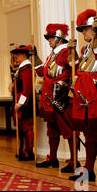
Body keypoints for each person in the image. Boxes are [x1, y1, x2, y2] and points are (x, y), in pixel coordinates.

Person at [68, 9, 97, 182]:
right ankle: (88, 169)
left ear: (96, 28)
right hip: (85, 94)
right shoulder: (84, 48)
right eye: (82, 29)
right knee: (89, 135)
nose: (83, 33)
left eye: (86, 28)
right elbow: (80, 67)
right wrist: (72, 54)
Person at [35, 24, 80, 173]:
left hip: (62, 96)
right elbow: (43, 72)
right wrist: (34, 58)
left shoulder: (66, 51)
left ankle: (74, 161)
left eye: (51, 37)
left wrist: (74, 53)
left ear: (59, 38)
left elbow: (76, 67)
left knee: (68, 128)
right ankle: (53, 158)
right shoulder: (52, 54)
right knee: (52, 129)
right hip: (49, 96)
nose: (49, 40)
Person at [11, 45, 35, 161]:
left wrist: (20, 103)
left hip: (25, 104)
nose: (16, 56)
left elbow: (27, 88)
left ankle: (29, 151)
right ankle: (22, 149)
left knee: (27, 128)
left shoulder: (27, 69)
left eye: (19, 54)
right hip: (20, 101)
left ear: (24, 55)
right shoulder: (21, 68)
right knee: (21, 128)